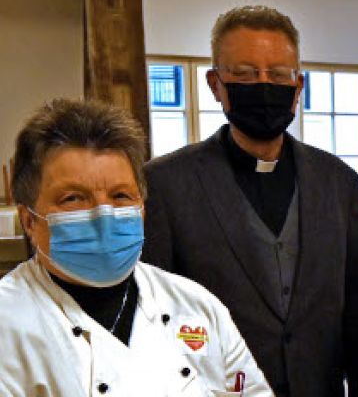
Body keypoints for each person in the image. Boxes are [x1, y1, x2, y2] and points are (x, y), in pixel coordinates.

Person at [141, 5, 358, 396]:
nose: (264, 84)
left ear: (298, 87)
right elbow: (155, 318)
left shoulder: (338, 181)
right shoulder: (166, 184)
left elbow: (357, 309)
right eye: (245, 73)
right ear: (216, 84)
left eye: (278, 74)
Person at [0, 99, 271, 395]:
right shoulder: (8, 320)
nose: (103, 214)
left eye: (120, 195)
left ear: (142, 207)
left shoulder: (196, 305)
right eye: (73, 198)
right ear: (29, 221)